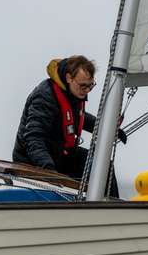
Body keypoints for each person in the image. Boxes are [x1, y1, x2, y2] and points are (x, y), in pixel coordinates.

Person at [13, 55, 125, 196]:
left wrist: (108, 128)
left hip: (61, 154)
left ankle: (111, 204)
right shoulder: (44, 97)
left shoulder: (72, 92)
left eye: (90, 86)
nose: (86, 90)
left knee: (103, 164)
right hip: (33, 161)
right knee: (91, 166)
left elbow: (79, 117)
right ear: (68, 78)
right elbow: (33, 138)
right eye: (83, 86)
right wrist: (48, 169)